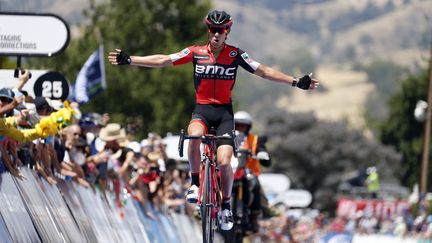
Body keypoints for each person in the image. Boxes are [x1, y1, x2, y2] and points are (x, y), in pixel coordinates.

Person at [108, 9, 319, 230]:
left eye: (222, 30)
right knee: (194, 136)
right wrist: (130, 60)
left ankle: (226, 206)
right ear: (209, 31)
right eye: (214, 30)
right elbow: (164, 60)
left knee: (226, 162)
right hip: (202, 110)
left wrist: (296, 82)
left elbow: (264, 71)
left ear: (228, 31)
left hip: (225, 115)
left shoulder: (235, 55)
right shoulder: (195, 52)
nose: (218, 34)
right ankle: (195, 183)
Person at [234, 110, 272, 232]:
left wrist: (262, 153)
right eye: (237, 125)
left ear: (248, 127)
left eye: (243, 125)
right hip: (229, 170)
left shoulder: (255, 139)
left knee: (255, 185)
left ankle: (254, 216)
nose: (240, 128)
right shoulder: (226, 137)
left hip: (248, 172)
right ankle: (206, 207)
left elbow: (261, 148)